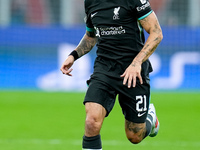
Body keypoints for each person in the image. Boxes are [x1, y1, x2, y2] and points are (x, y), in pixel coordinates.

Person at [60, 0, 163, 149]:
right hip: (104, 69)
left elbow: (156, 33)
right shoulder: (90, 3)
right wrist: (73, 55)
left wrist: (136, 63)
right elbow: (91, 35)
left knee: (134, 136)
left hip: (133, 71)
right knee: (91, 122)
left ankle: (150, 118)